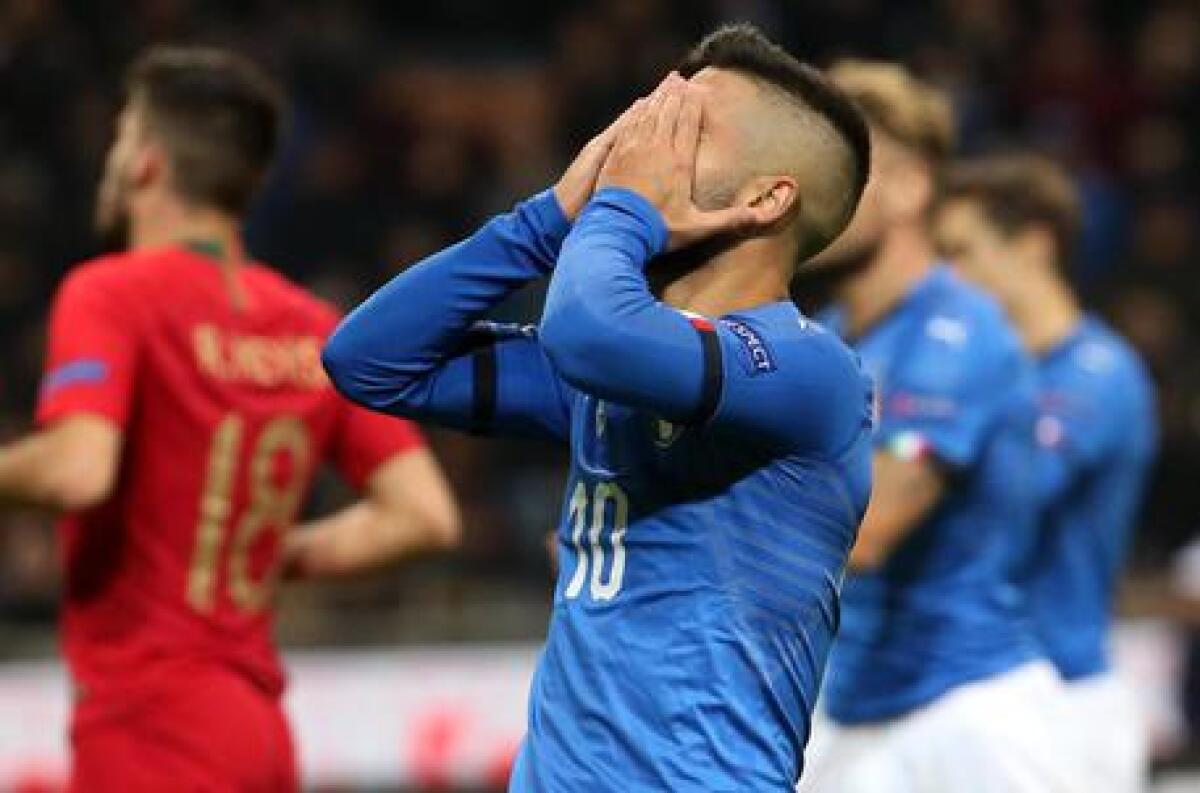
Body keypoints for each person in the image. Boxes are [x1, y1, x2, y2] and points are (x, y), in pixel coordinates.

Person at [324, 24, 874, 791]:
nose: (641, 141)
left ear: (766, 197)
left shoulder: (810, 371)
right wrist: (546, 218)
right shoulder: (610, 360)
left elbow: (588, 332)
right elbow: (369, 362)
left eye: (685, 128)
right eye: (651, 112)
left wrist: (620, 207)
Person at [0, 47, 460, 792]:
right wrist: (268, 556)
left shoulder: (112, 293)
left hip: (147, 724)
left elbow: (78, 466)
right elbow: (425, 515)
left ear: (146, 163)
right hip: (257, 731)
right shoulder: (310, 326)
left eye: (121, 139)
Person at [796, 63, 1076, 793]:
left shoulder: (962, 331)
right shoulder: (819, 338)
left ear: (911, 187)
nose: (798, 192)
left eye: (832, 168)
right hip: (852, 710)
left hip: (972, 714)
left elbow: (872, 524)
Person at [933, 153, 1158, 793]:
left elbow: (1018, 492)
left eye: (962, 252)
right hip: (969, 693)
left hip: (1063, 696)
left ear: (1032, 245)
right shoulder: (977, 373)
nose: (945, 277)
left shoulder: (1099, 372)